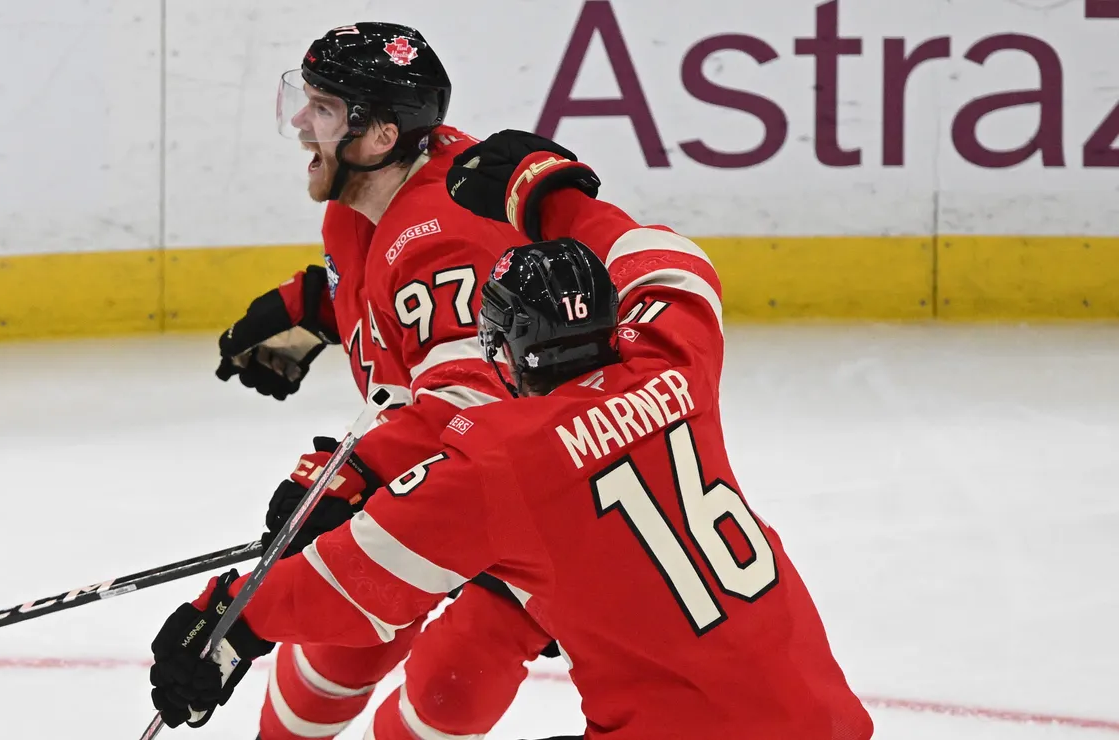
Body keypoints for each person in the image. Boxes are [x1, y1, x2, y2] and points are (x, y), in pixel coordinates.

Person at [147, 130, 876, 739]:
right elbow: (675, 267)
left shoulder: (504, 461)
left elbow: (357, 578)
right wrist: (557, 200)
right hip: (828, 720)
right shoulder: (672, 366)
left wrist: (229, 617)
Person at [201, 23, 559, 740]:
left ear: (380, 135)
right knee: (334, 656)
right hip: (439, 473)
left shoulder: (446, 232)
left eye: (324, 109)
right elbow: (425, 319)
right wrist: (321, 306)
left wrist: (354, 473)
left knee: (446, 699)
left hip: (539, 503)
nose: (302, 122)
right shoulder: (366, 201)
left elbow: (472, 407)